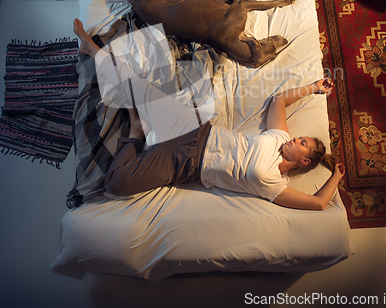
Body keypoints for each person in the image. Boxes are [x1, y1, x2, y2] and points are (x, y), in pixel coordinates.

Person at [73, 18, 345, 211]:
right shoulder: (278, 137)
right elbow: (280, 99)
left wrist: (335, 178)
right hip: (194, 129)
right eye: (301, 138)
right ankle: (92, 49)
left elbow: (319, 204)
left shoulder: (274, 185)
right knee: (137, 87)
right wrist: (314, 88)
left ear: (304, 160)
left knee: (116, 184)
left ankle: (135, 133)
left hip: (186, 163)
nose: (296, 138)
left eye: (302, 143)